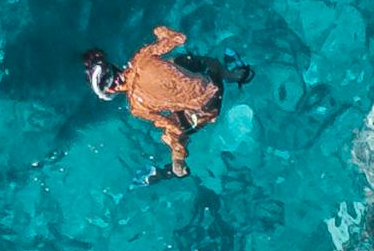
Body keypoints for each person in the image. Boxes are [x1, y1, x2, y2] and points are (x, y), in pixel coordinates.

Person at [82, 26, 252, 180]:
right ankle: (236, 76)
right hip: (211, 76)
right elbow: (179, 39)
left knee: (170, 133)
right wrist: (159, 31)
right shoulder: (141, 58)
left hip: (208, 110)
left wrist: (177, 148)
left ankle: (178, 165)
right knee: (178, 61)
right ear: (114, 66)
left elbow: (173, 127)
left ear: (110, 91)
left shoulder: (137, 107)